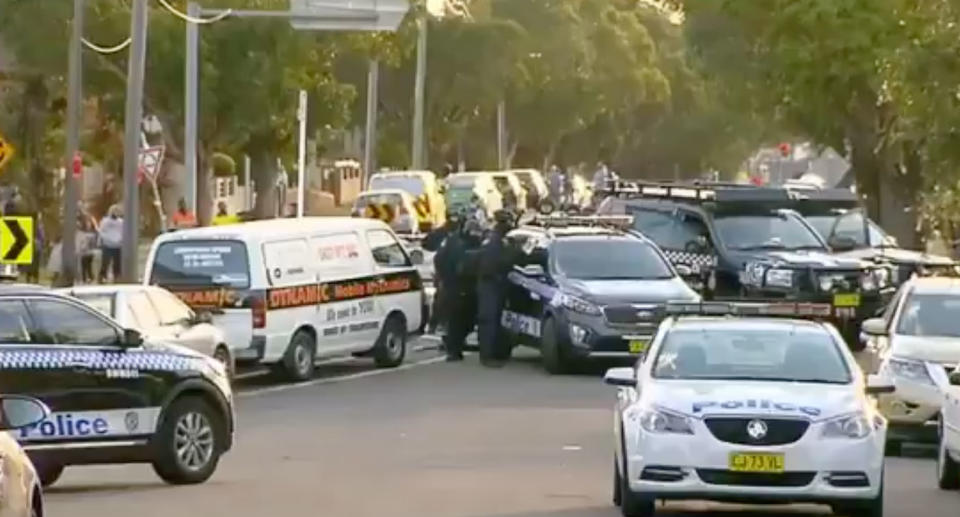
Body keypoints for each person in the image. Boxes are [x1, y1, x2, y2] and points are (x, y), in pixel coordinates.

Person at [474, 209, 524, 367]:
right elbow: (498, 263)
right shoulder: (494, 241)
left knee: (496, 320)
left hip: (496, 284)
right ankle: (487, 356)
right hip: (490, 284)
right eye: (508, 223)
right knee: (489, 320)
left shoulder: (500, 240)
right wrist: (516, 252)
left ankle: (496, 353)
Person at [435, 219, 483, 361]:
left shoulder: (469, 243)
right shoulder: (455, 243)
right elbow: (440, 260)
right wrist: (447, 277)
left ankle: (456, 344)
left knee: (467, 320)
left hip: (467, 286)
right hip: (456, 286)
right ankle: (453, 349)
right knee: (457, 319)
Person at [423, 209, 463, 334]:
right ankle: (435, 324)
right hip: (444, 272)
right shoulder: (442, 232)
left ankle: (448, 325)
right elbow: (428, 244)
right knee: (441, 299)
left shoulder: (462, 234)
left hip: (458, 273)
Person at [98, 205, 123, 283]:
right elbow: (101, 231)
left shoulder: (121, 222)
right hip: (107, 245)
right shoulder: (105, 221)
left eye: (117, 211)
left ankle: (117, 277)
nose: (115, 213)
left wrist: (121, 240)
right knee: (105, 263)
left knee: (117, 263)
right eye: (114, 211)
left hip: (117, 245)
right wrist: (101, 241)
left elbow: (123, 232)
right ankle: (102, 277)